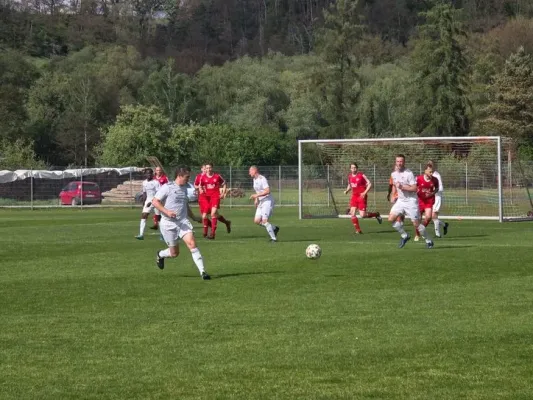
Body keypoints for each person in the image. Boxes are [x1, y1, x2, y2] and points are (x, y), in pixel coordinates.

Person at [151, 165, 211, 280]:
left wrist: (193, 217)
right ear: (179, 176)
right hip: (168, 224)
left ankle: (203, 272)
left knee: (192, 244)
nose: (188, 179)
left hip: (182, 222)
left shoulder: (186, 188)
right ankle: (160, 254)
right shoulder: (167, 187)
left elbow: (185, 204)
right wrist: (167, 211)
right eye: (187, 177)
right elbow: (155, 201)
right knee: (174, 253)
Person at [388, 154, 434, 249]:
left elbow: (414, 188)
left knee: (416, 224)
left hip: (411, 201)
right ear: (395, 162)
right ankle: (405, 236)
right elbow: (394, 185)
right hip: (401, 200)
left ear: (404, 162)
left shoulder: (409, 173)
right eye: (398, 161)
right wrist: (393, 195)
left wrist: (402, 187)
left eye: (401, 161)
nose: (399, 163)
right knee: (390, 219)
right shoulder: (393, 174)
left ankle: (428, 240)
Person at [343, 163, 382, 234]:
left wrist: (364, 192)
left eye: (355, 167)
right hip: (354, 197)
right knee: (352, 213)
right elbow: (350, 185)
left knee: (362, 215)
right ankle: (358, 230)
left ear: (357, 168)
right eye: (352, 168)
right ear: (350, 169)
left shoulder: (361, 175)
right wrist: (347, 191)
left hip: (361, 197)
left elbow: (370, 184)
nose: (353, 169)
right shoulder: (349, 177)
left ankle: (376, 214)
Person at [198, 163, 231, 239]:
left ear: (212, 168)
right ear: (205, 169)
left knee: (213, 214)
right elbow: (200, 185)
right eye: (207, 168)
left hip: (215, 197)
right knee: (213, 215)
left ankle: (212, 234)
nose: (208, 169)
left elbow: (224, 183)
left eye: (210, 168)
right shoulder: (203, 177)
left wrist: (223, 193)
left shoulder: (217, 176)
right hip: (207, 198)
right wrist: (201, 190)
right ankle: (227, 222)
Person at [249, 165, 279, 241]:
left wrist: (256, 195)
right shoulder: (254, 179)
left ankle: (273, 238)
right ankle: (274, 228)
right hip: (261, 201)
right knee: (257, 221)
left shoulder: (262, 179)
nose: (249, 173)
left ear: (254, 171)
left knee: (264, 220)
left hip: (267, 201)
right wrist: (256, 199)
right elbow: (258, 191)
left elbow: (267, 191)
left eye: (250, 171)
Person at [414, 164, 439, 242]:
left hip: (429, 201)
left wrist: (431, 193)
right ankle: (417, 234)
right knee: (418, 219)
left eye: (432, 172)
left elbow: (437, 188)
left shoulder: (435, 180)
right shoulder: (418, 178)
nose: (431, 173)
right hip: (420, 200)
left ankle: (421, 230)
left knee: (428, 217)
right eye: (430, 171)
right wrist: (416, 191)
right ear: (425, 171)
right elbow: (414, 187)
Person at [135, 168, 161, 240]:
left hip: (156, 200)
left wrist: (152, 201)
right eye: (147, 173)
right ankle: (141, 235)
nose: (149, 174)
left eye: (150, 173)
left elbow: (159, 193)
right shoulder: (144, 182)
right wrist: (144, 201)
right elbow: (144, 192)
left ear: (152, 174)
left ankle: (163, 235)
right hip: (148, 200)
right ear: (145, 174)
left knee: (158, 218)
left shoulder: (156, 182)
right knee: (144, 215)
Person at [427, 160, 449, 238]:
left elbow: (441, 188)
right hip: (430, 198)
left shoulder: (437, 175)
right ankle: (444, 225)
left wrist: (433, 191)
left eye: (431, 165)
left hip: (437, 197)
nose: (429, 166)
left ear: (434, 166)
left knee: (433, 216)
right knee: (430, 216)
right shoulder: (427, 175)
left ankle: (437, 234)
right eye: (428, 165)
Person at [193, 164, 211, 233]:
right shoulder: (198, 176)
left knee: (205, 215)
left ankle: (206, 231)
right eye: (204, 169)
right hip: (201, 197)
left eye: (206, 168)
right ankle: (211, 226)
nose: (205, 170)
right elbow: (195, 185)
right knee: (203, 215)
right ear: (201, 169)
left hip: (208, 197)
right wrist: (199, 187)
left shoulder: (209, 177)